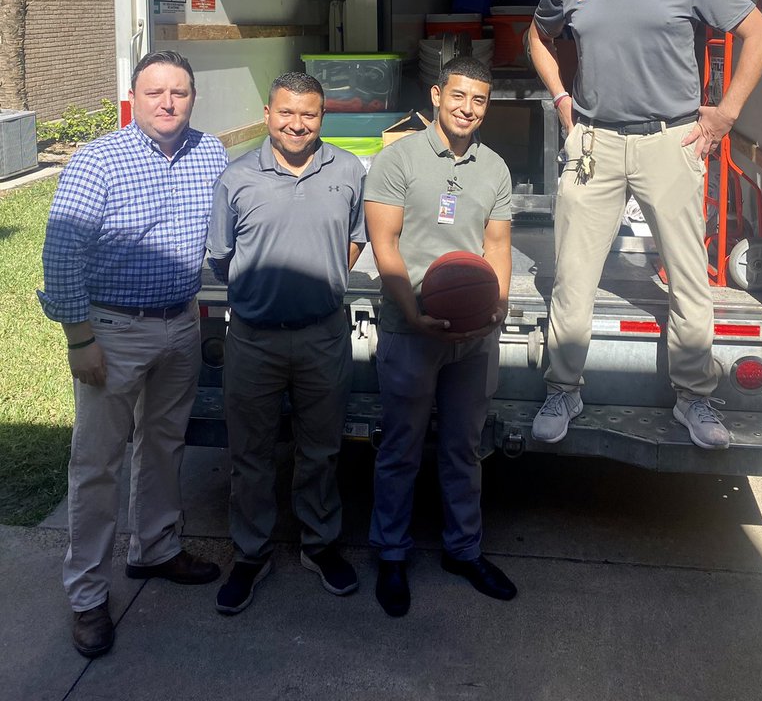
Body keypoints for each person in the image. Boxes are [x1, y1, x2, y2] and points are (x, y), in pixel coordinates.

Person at [528, 0, 762, 450]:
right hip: (595, 141)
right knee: (573, 276)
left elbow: (758, 33)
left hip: (672, 140)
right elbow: (540, 36)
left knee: (689, 276)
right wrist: (562, 99)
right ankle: (564, 387)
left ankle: (695, 398)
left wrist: (725, 114)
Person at [39, 50, 229, 660]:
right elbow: (62, 253)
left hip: (181, 325)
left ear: (194, 97)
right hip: (113, 332)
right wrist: (80, 339)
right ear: (134, 97)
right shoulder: (98, 160)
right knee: (97, 464)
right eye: (155, 93)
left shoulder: (212, 153)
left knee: (164, 441)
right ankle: (88, 595)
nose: (168, 103)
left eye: (179, 92)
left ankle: (155, 548)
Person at [207, 72, 366, 615]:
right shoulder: (236, 178)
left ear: (324, 116)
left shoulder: (346, 170)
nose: (297, 124)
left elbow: (353, 241)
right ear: (268, 113)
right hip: (252, 341)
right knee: (249, 453)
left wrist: (316, 288)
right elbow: (223, 257)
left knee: (320, 450)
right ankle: (251, 553)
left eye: (310, 114)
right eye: (286, 113)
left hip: (323, 337)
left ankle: (319, 545)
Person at [364, 55, 515, 618]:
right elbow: (386, 246)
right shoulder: (396, 158)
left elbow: (496, 246)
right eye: (459, 96)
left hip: (473, 336)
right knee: (400, 448)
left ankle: (463, 550)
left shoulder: (494, 168)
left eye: (478, 100)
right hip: (412, 329)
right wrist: (414, 309)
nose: (467, 108)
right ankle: (392, 555)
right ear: (436, 94)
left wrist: (496, 305)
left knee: (463, 447)